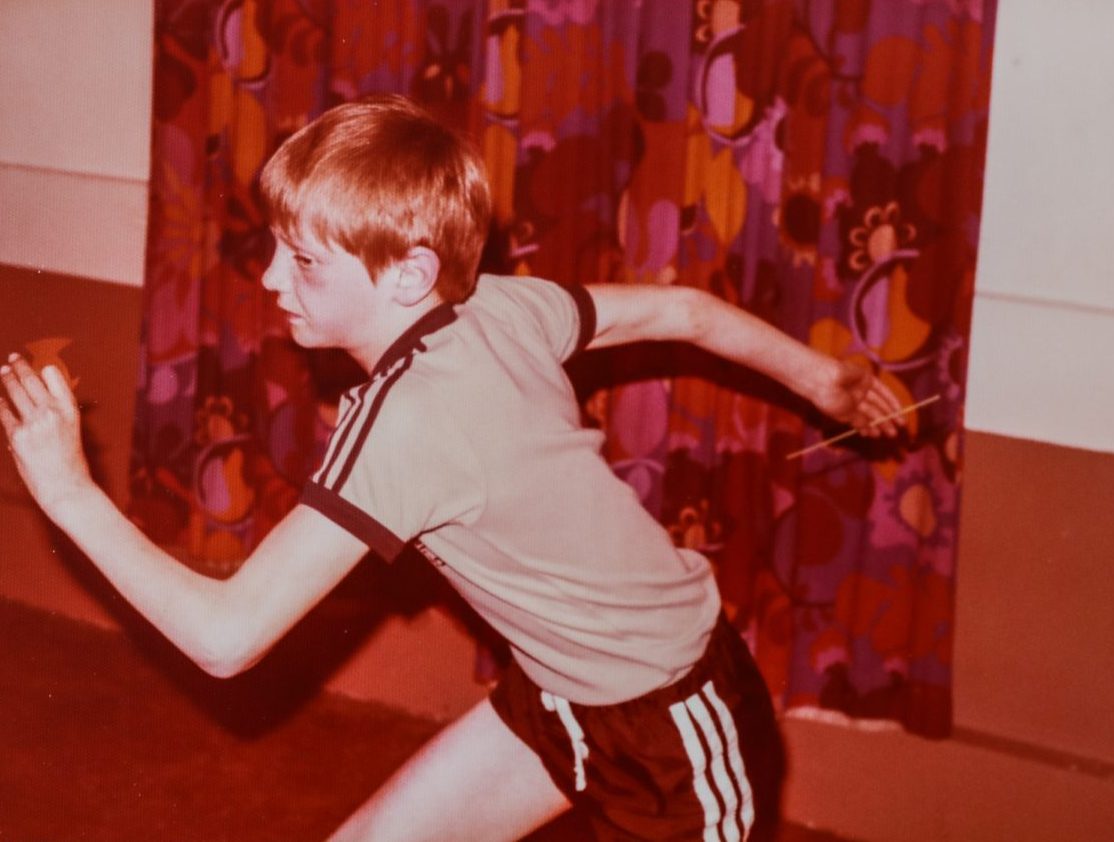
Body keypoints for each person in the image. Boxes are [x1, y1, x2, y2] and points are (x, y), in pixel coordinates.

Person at [0, 95, 904, 842]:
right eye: (277, 247)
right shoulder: (498, 307)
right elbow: (685, 311)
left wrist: (70, 494)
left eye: (305, 260)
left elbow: (226, 638)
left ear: (408, 273)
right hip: (558, 690)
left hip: (672, 719)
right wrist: (823, 377)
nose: (273, 278)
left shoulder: (406, 422)